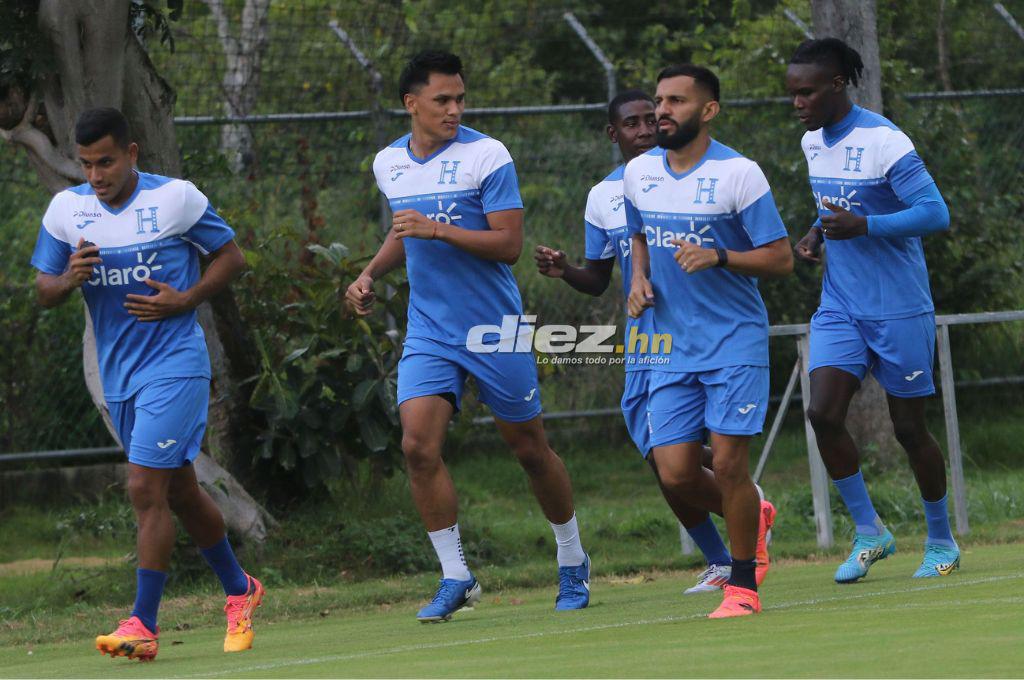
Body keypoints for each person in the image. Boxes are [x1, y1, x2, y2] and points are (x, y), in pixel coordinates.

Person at [345, 51, 590, 622]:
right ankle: (456, 575)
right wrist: (366, 275)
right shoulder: (389, 163)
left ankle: (573, 558)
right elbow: (403, 233)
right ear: (412, 104)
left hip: (494, 327)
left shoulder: (487, 155)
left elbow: (508, 245)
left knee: (529, 449)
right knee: (417, 446)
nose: (454, 109)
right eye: (442, 100)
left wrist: (438, 228)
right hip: (429, 330)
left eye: (460, 99)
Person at [30, 107, 261, 661]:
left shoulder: (174, 199)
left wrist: (186, 299)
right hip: (120, 376)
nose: (95, 175)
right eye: (85, 164)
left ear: (131, 153)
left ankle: (143, 623)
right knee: (180, 490)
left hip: (176, 365)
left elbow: (233, 258)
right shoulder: (68, 209)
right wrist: (69, 278)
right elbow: (43, 288)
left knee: (143, 488)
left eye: (105, 162)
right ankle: (240, 588)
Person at [534, 89, 753, 595]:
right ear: (613, 134)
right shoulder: (602, 196)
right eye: (630, 123)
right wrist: (564, 269)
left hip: (708, 337)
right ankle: (728, 546)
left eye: (648, 119)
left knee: (698, 456)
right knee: (662, 460)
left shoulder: (700, 173)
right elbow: (597, 278)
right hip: (645, 348)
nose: (643, 129)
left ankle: (740, 525)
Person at [786, 38, 957, 583]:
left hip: (899, 306)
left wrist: (865, 227)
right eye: (792, 92)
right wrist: (816, 233)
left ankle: (941, 539)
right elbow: (834, 207)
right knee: (822, 414)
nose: (798, 102)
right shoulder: (813, 141)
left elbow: (935, 213)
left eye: (807, 91)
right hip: (841, 304)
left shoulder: (884, 140)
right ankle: (870, 532)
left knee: (909, 428)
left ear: (838, 84)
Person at [625, 65, 793, 618]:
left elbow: (780, 258)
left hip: (733, 341)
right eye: (659, 100)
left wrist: (719, 255)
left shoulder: (739, 174)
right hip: (670, 344)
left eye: (676, 101)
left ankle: (743, 587)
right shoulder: (638, 173)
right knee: (673, 470)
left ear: (709, 110)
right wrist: (638, 278)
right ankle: (753, 513)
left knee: (727, 465)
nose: (662, 111)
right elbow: (638, 232)